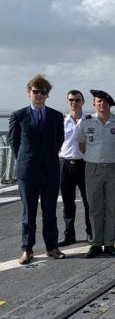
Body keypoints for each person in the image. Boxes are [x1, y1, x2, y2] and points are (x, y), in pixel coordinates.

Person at [10, 74, 66, 265]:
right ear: (29, 93)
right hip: (28, 172)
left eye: (43, 92)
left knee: (50, 211)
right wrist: (26, 159)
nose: (39, 95)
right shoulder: (18, 116)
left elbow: (60, 140)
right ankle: (27, 249)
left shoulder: (57, 116)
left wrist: (47, 157)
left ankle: (52, 247)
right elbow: (14, 142)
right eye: (36, 92)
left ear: (47, 95)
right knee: (29, 212)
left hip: (50, 169)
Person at [79, 90, 115, 258]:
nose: (102, 104)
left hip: (114, 168)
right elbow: (81, 145)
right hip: (92, 168)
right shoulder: (86, 122)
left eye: (105, 102)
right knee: (94, 207)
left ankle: (109, 243)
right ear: (93, 104)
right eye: (98, 102)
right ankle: (95, 243)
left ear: (110, 104)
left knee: (112, 206)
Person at [58, 89, 92, 246]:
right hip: (65, 164)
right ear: (67, 101)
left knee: (89, 201)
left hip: (85, 164)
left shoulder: (90, 120)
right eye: (71, 100)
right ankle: (69, 234)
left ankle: (91, 233)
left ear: (83, 102)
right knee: (68, 202)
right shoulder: (61, 121)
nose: (74, 102)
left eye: (77, 100)